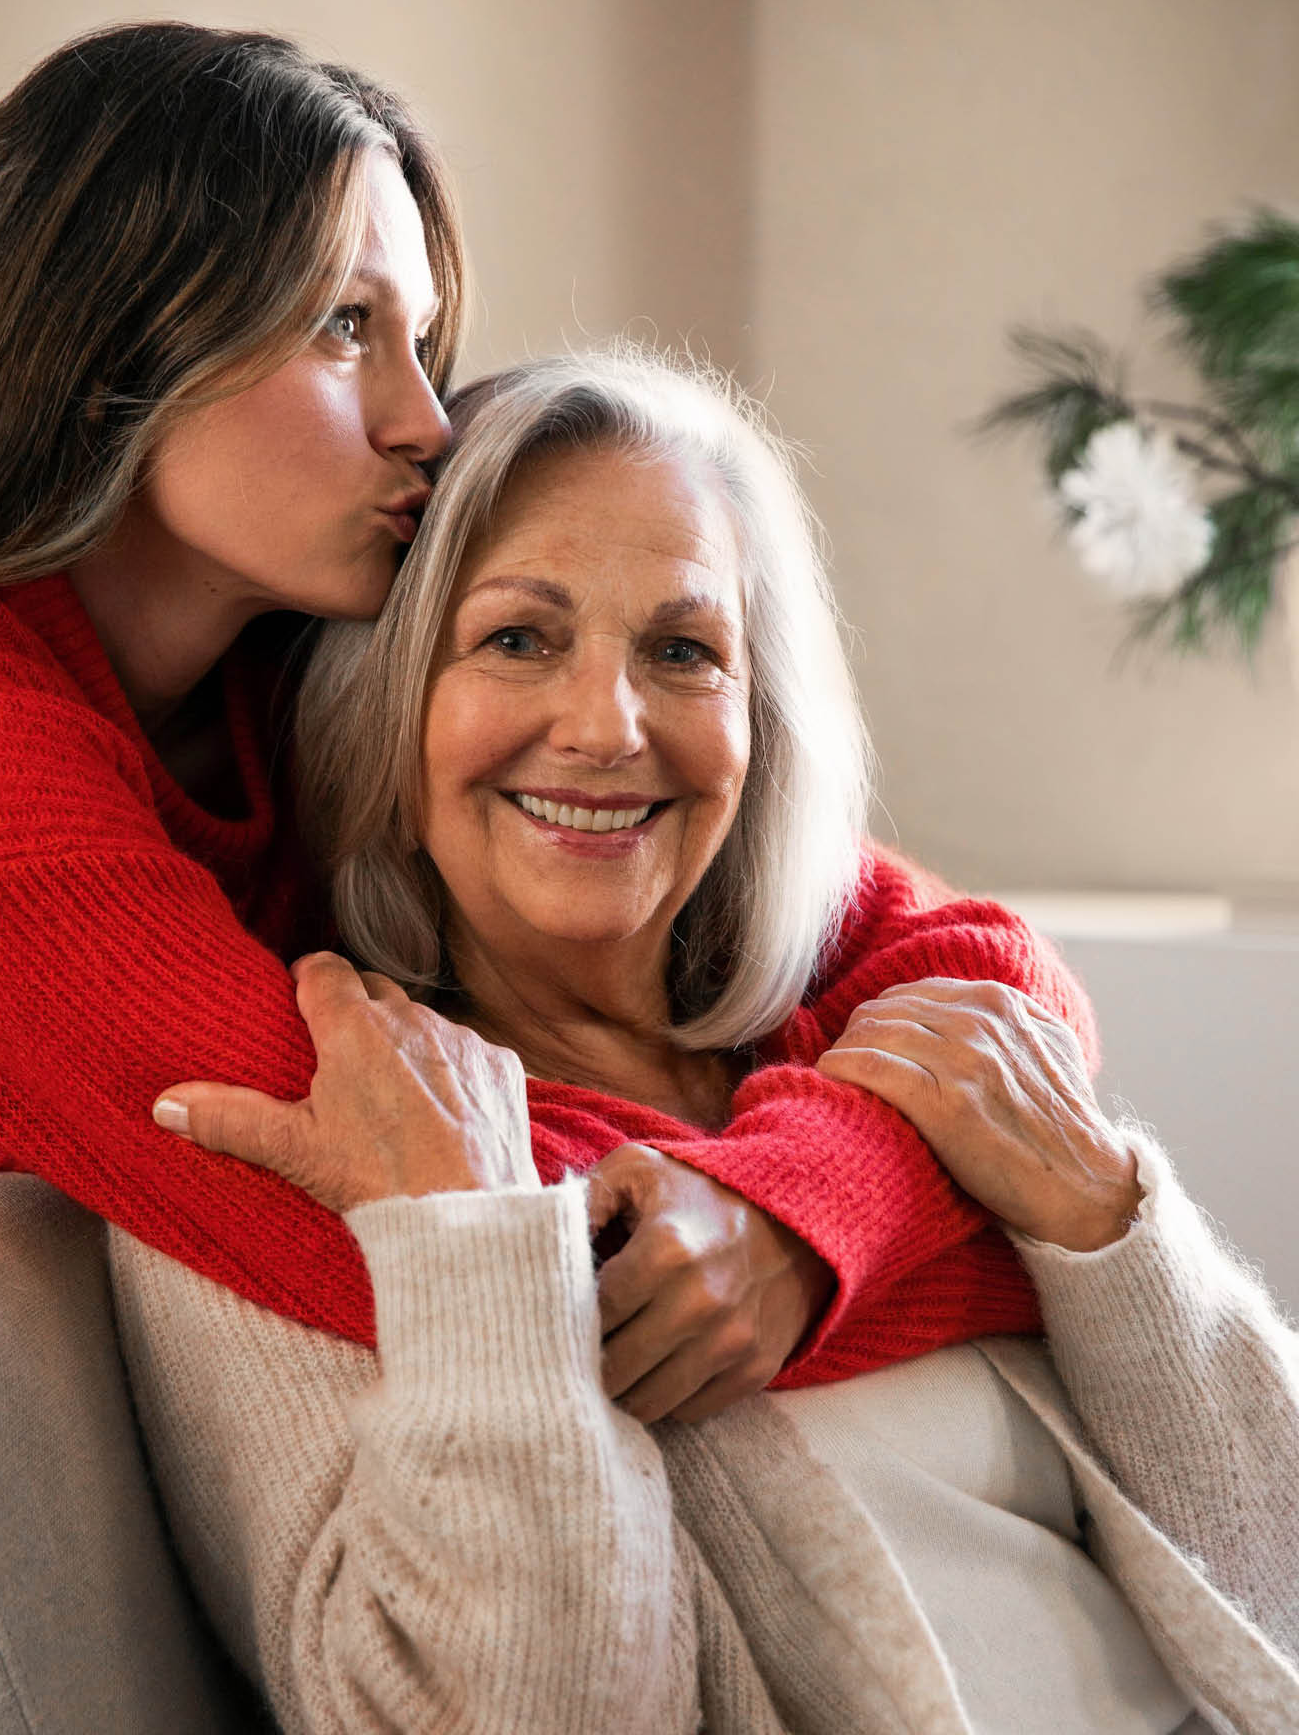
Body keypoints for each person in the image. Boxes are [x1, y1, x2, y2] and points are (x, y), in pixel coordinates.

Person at [0, 21, 1085, 1421]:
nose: (428, 421)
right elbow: (484, 1248)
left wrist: (812, 1206)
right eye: (346, 327)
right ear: (106, 345)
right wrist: (959, 1213)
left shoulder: (282, 674)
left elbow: (981, 972)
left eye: (425, 343)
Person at [111, 349, 1299, 1733]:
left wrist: (1108, 1231)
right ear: (383, 701)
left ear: (758, 718)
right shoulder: (316, 1144)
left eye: (683, 652)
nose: (609, 729)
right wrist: (471, 1250)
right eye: (518, 639)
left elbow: (1275, 1577)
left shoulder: (869, 1055)